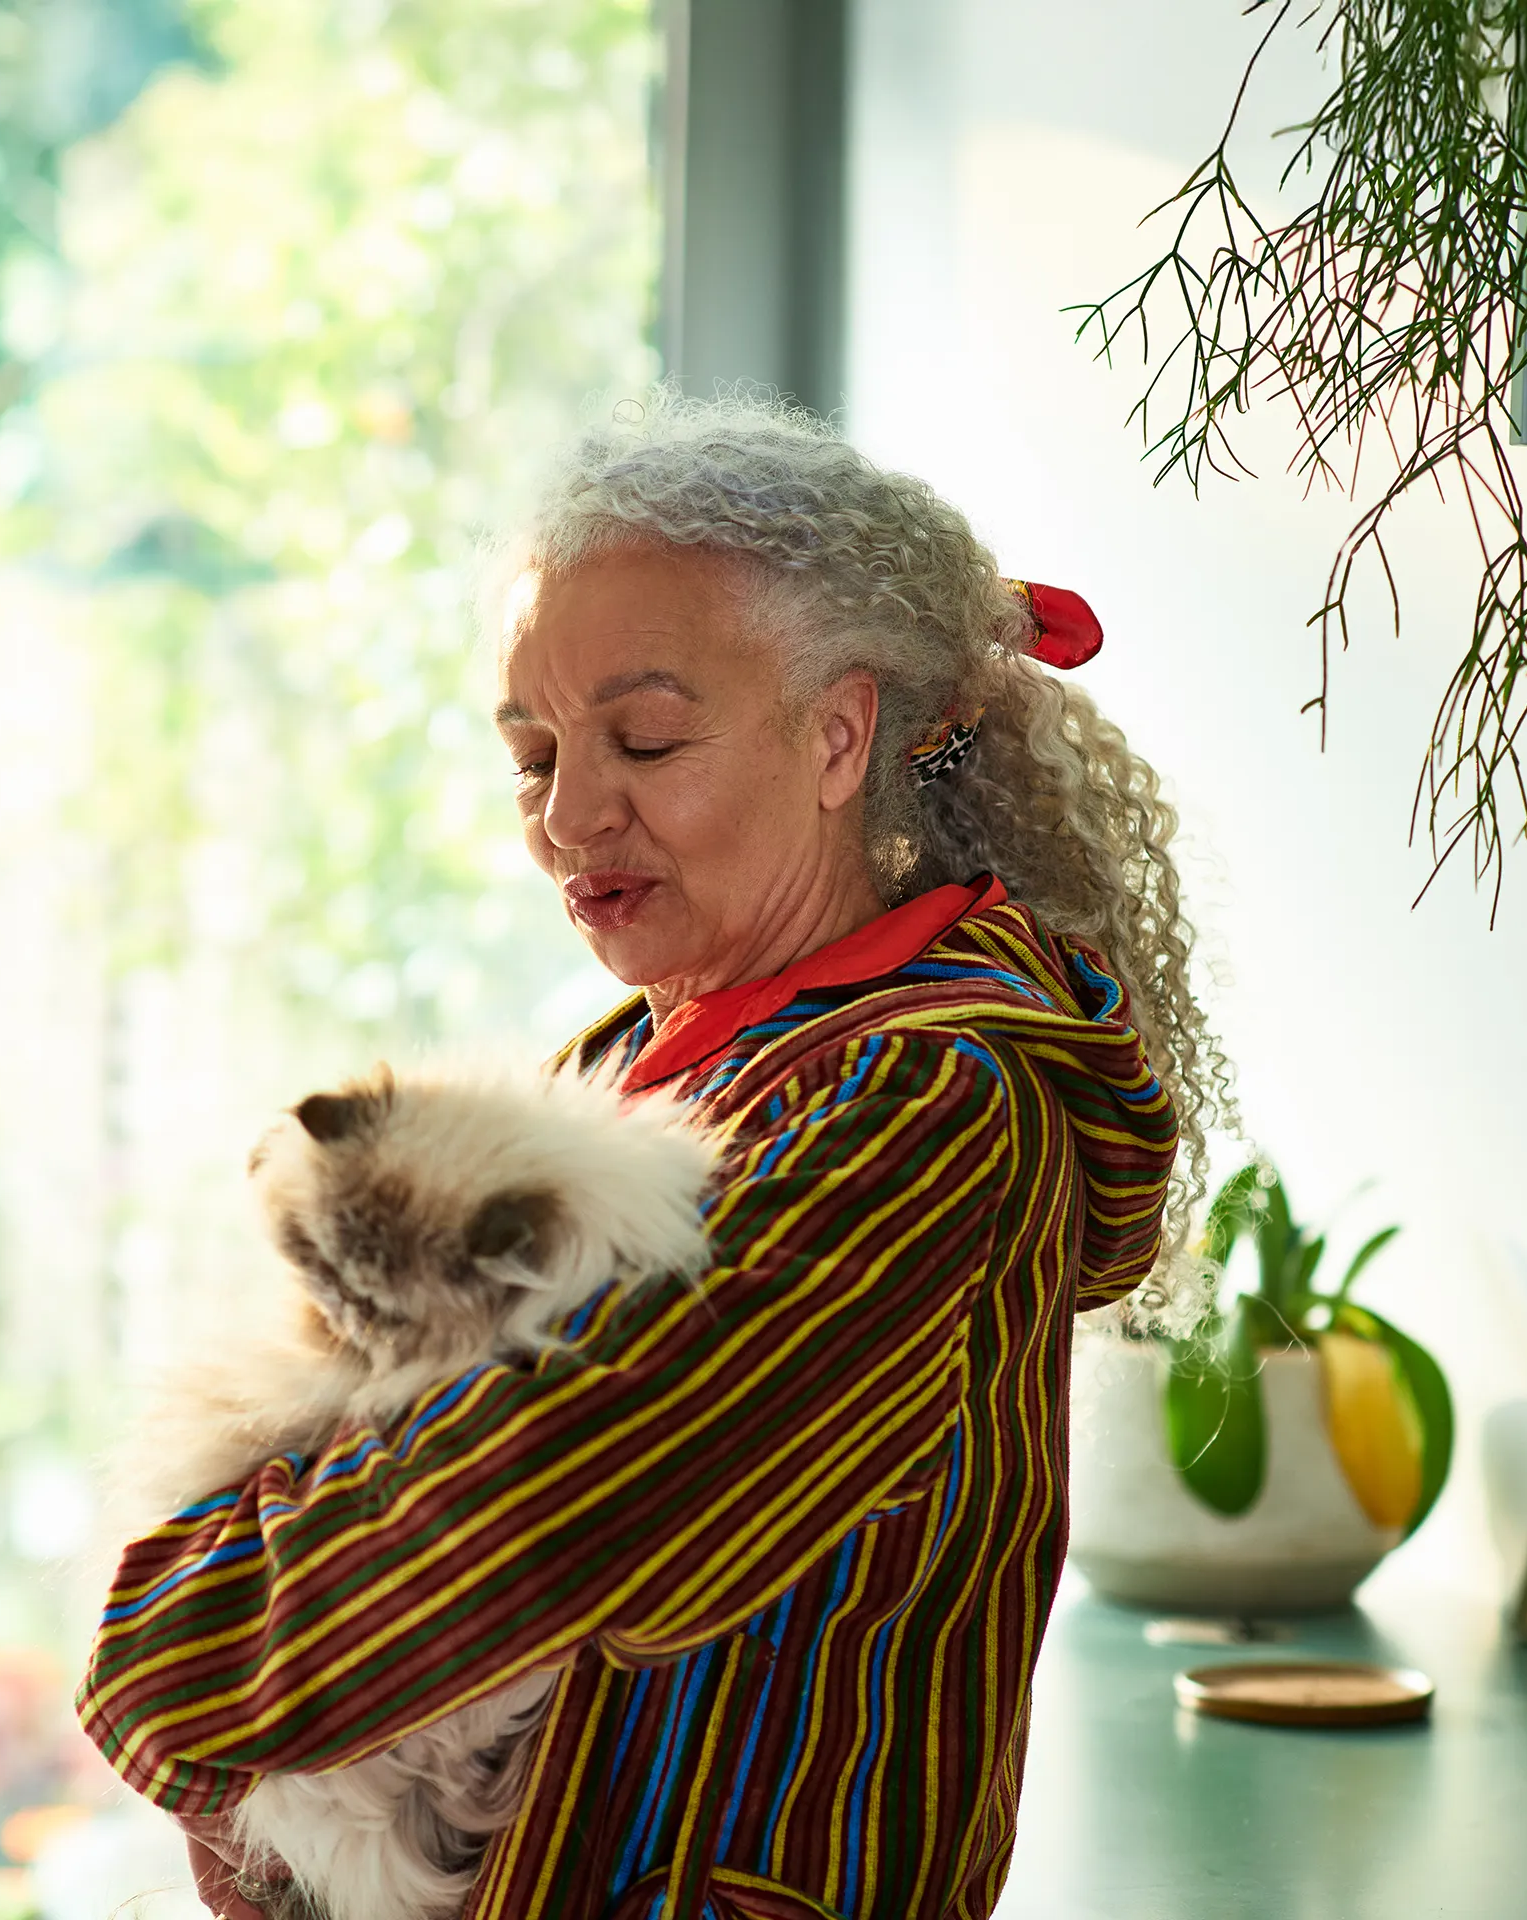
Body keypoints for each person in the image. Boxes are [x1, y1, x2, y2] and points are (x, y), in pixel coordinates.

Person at [76, 397, 1223, 1918]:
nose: (570, 814)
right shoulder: (636, 1059)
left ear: (838, 736)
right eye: (532, 755)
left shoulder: (932, 1102)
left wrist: (176, 1650)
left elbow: (555, 1497)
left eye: (647, 740)